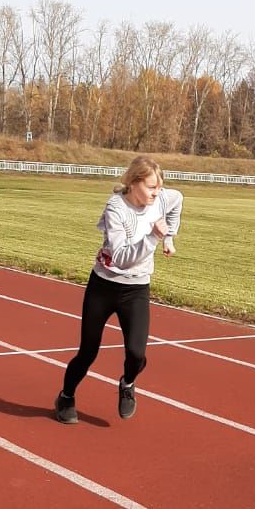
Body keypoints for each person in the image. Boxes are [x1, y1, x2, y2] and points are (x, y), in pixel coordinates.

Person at [55, 155, 182, 424]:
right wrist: (153, 237)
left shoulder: (160, 199)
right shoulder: (116, 209)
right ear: (134, 183)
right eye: (151, 187)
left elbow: (177, 199)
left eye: (159, 187)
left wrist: (168, 237)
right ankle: (66, 396)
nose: (156, 193)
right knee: (88, 351)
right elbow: (122, 257)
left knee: (136, 354)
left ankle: (127, 383)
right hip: (104, 286)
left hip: (136, 290)